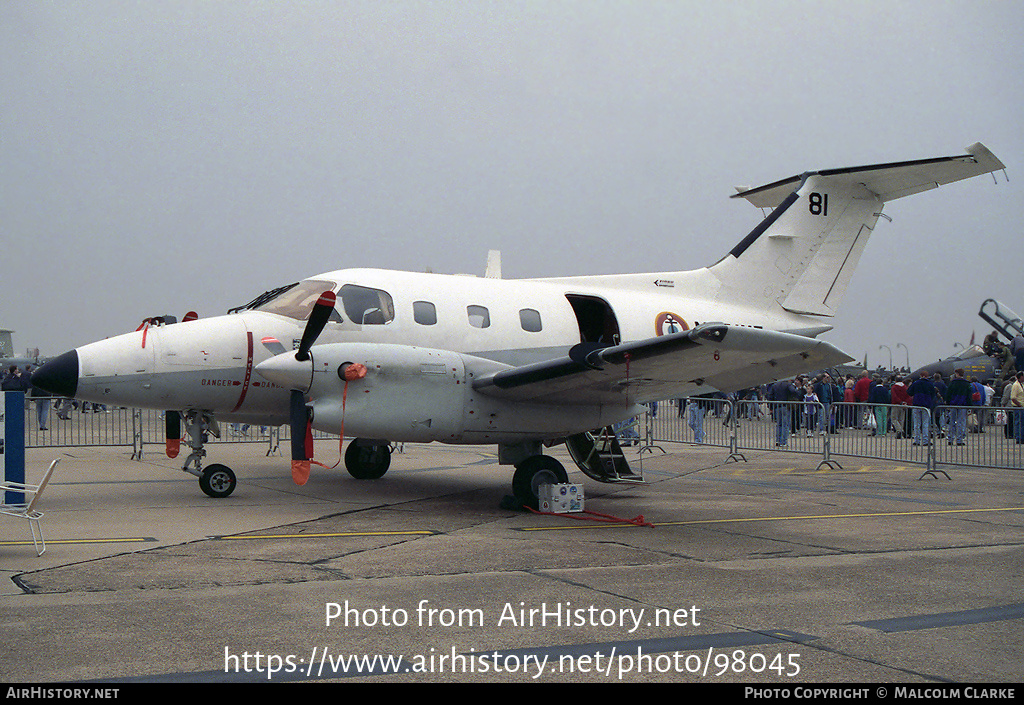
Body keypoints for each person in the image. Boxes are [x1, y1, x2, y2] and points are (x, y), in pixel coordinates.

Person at [907, 371, 936, 445]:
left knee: (917, 424)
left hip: (917, 404)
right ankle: (925, 440)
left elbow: (909, 392)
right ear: (927, 376)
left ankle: (917, 440)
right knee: (925, 424)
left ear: (920, 375)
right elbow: (933, 394)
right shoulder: (930, 384)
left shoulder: (916, 383)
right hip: (926, 406)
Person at [945, 368, 972, 445]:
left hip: (953, 404)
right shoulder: (967, 384)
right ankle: (960, 439)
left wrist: (948, 403)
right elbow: (969, 396)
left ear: (957, 374)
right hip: (963, 405)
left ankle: (950, 438)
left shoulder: (952, 383)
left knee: (952, 421)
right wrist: (969, 405)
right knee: (961, 422)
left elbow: (948, 394)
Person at [1011, 371, 1024, 445]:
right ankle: (1019, 438)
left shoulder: (1021, 384)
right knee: (1019, 422)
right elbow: (1013, 397)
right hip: (1018, 407)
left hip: (1021, 407)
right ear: (1021, 376)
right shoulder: (1016, 385)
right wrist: (1020, 405)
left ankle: (1021, 437)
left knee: (1022, 423)